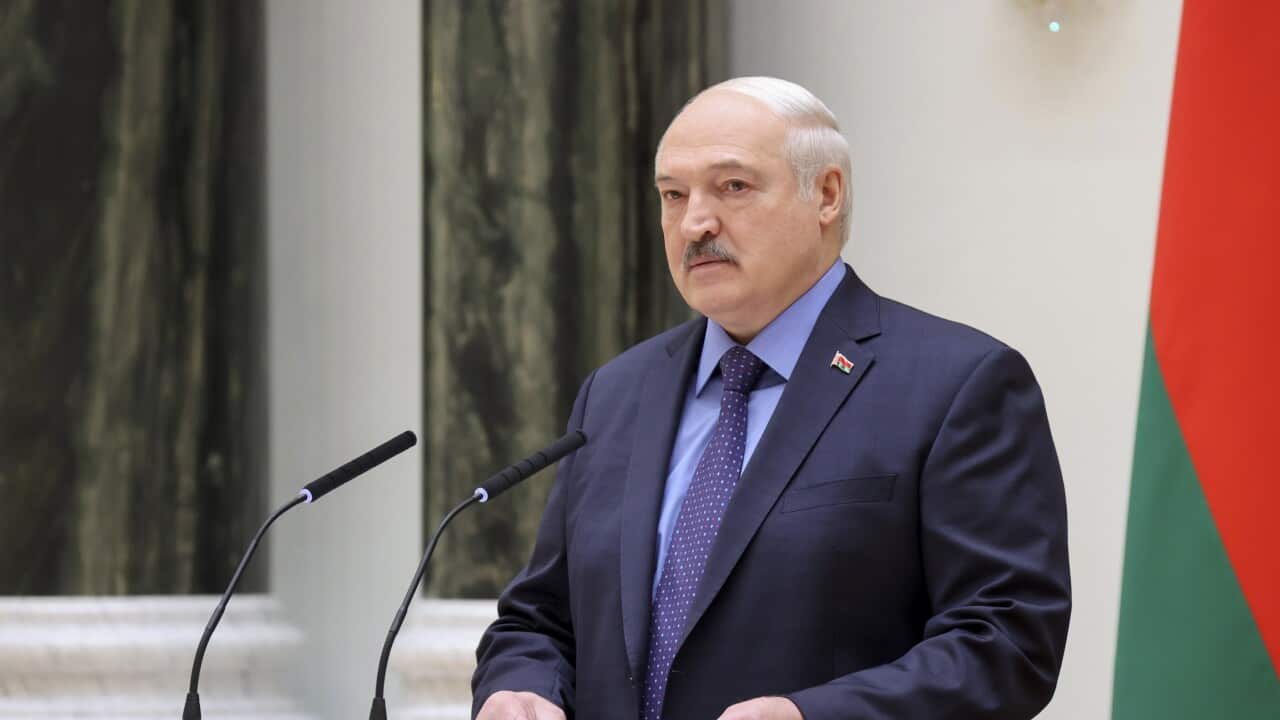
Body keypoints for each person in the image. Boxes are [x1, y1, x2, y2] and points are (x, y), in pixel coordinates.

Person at [472, 76, 1071, 720]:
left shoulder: (958, 384)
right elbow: (538, 618)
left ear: (826, 195)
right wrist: (520, 687)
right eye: (673, 196)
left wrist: (812, 716)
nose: (696, 222)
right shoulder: (617, 392)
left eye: (733, 187)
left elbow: (1008, 640)